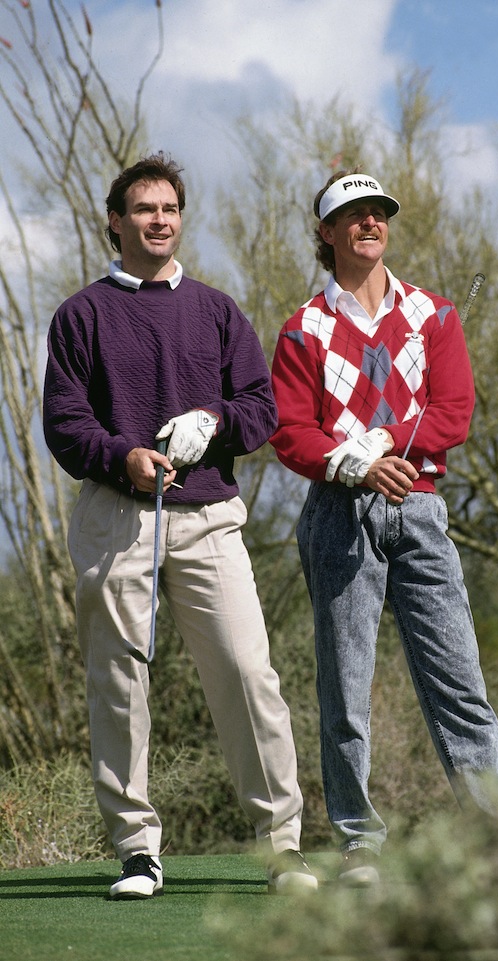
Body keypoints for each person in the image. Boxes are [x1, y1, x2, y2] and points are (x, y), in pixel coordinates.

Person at [43, 153, 317, 898]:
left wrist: (215, 420)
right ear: (115, 220)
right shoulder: (81, 315)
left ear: (179, 218)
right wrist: (121, 455)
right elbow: (65, 425)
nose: (158, 220)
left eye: (168, 209)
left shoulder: (218, 310)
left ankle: (279, 846)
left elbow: (261, 407)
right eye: (143, 209)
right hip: (116, 514)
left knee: (246, 670)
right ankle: (137, 849)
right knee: (119, 681)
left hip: (207, 518)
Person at [269, 169, 498, 887]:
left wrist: (380, 446)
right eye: (352, 215)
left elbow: (454, 410)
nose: (368, 223)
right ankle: (358, 841)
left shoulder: (435, 314)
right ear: (326, 233)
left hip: (419, 504)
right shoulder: (303, 328)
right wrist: (349, 466)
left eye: (378, 212)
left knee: (459, 679)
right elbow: (291, 432)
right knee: (346, 687)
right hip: (338, 515)